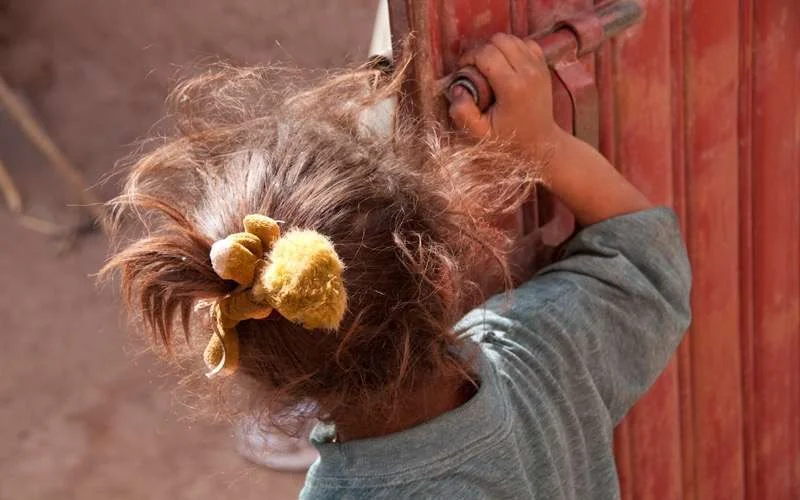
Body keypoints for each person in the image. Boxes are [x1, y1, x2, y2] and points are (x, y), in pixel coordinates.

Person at [104, 34, 691, 499]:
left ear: (277, 385)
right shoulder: (539, 352)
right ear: (440, 270)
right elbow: (644, 258)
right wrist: (541, 143)